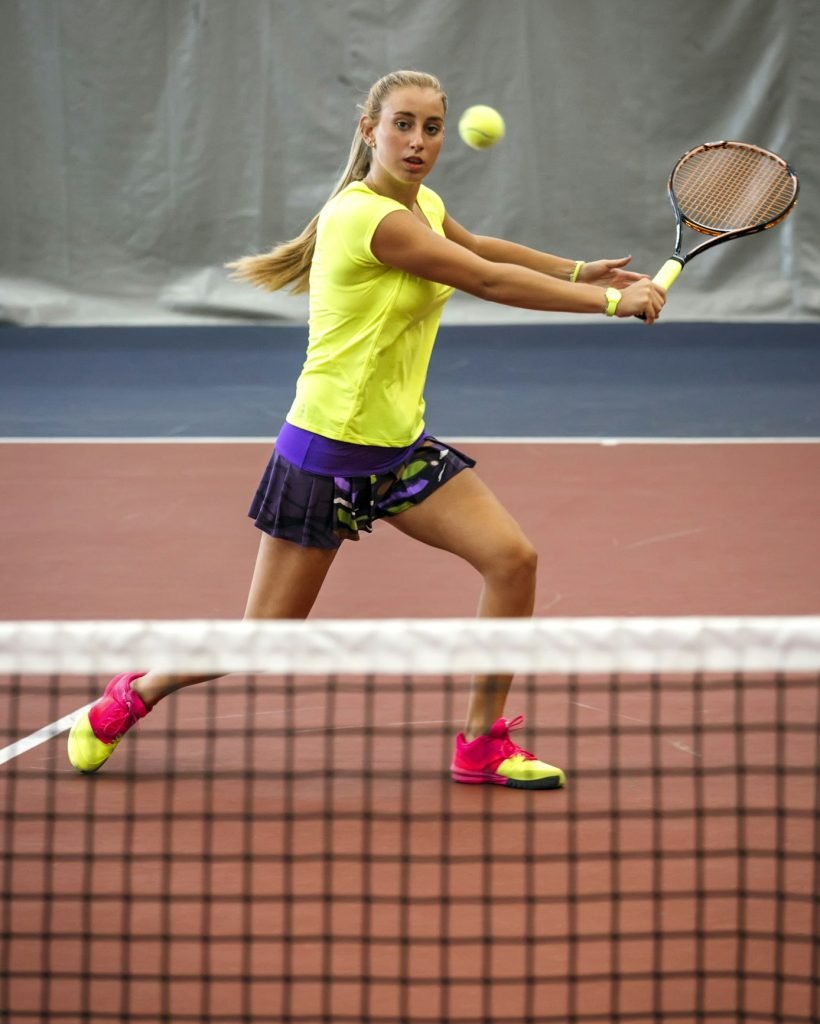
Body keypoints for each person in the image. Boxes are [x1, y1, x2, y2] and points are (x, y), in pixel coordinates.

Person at [68, 70, 665, 788]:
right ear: (369, 130)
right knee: (263, 640)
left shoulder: (423, 205)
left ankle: (480, 745)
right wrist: (608, 302)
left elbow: (483, 250)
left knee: (513, 561)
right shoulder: (367, 220)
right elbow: (486, 282)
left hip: (399, 450)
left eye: (432, 127)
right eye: (403, 125)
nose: (418, 142)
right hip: (325, 455)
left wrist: (577, 267)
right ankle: (136, 692)